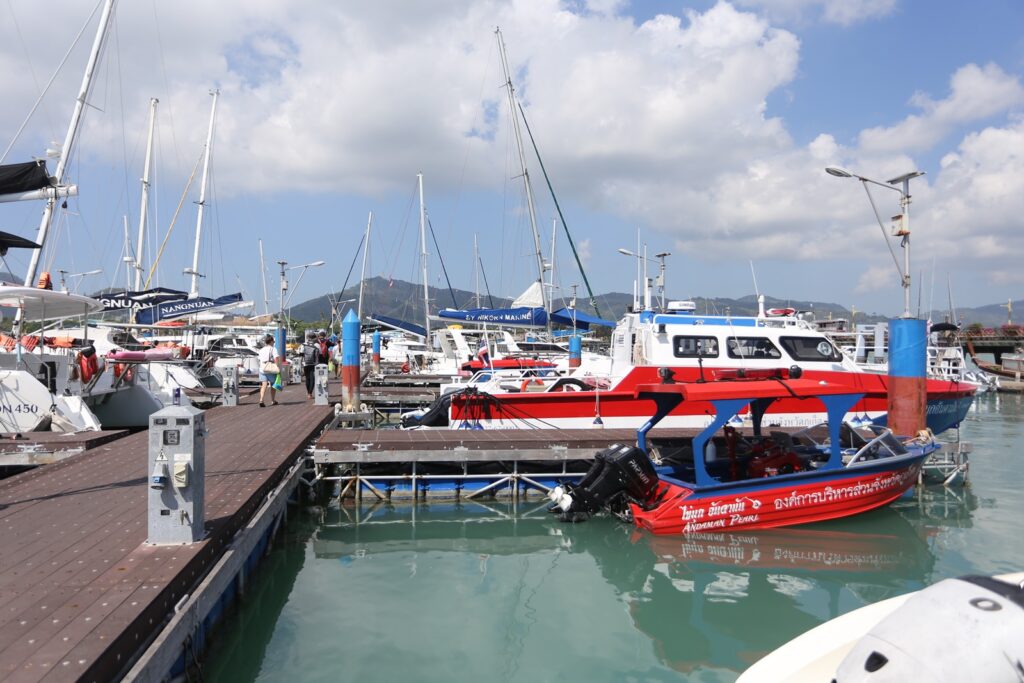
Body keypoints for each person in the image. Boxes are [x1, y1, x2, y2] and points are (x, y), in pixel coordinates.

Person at [257, 334, 279, 407]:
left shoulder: (261, 350)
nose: (274, 342)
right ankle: (273, 400)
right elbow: (276, 358)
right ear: (271, 341)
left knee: (264, 385)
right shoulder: (273, 349)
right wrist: (277, 366)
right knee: (273, 385)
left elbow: (260, 359)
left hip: (262, 369)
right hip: (270, 369)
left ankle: (261, 399)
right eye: (273, 341)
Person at [301, 329, 322, 399]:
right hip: (314, 363)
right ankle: (310, 393)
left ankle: (308, 393)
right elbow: (320, 354)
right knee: (312, 378)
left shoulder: (303, 344)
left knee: (307, 378)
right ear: (314, 338)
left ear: (307, 337)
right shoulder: (317, 345)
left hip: (305, 363)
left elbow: (301, 354)